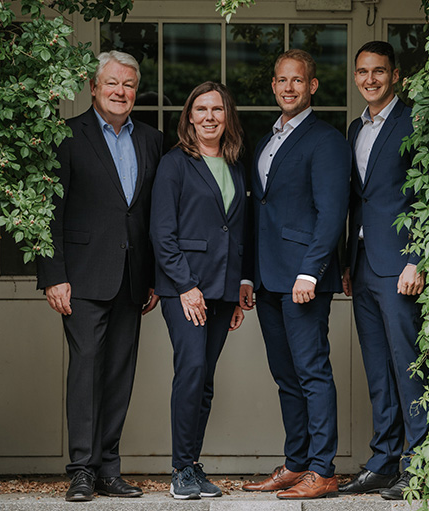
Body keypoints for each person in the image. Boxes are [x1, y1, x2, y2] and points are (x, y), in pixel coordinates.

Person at [36, 50, 163, 502]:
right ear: (93, 87)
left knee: (118, 375)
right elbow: (48, 210)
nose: (120, 91)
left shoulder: (151, 139)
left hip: (133, 279)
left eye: (128, 85)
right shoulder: (66, 136)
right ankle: (82, 470)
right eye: (112, 83)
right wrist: (53, 275)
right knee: (87, 372)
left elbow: (150, 214)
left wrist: (153, 277)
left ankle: (109, 468)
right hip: (82, 277)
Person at [240, 49, 351, 500]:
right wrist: (248, 276)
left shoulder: (326, 141)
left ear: (312, 86)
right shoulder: (267, 140)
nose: (289, 88)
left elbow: (331, 213)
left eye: (297, 81)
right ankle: (297, 462)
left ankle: (323, 469)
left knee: (312, 372)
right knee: (286, 376)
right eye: (281, 80)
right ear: (273, 85)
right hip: (267, 279)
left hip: (303, 280)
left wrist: (312, 270)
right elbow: (256, 211)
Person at [338, 41, 429, 500]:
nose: (369, 79)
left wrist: (418, 257)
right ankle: (383, 461)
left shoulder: (414, 122)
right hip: (364, 265)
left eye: (378, 71)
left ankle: (419, 464)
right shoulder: (356, 127)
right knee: (377, 367)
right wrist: (346, 263)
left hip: (400, 266)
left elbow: (428, 194)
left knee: (406, 364)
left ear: (395, 75)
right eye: (362, 72)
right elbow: (358, 200)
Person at [150, 82, 248, 500]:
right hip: (184, 289)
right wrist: (187, 287)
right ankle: (180, 470)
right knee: (190, 373)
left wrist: (240, 283)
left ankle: (191, 463)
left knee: (204, 379)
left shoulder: (235, 164)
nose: (210, 117)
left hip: (223, 290)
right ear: (189, 116)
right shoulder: (174, 164)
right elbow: (162, 232)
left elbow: (239, 229)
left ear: (228, 118)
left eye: (218, 110)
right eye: (202, 109)